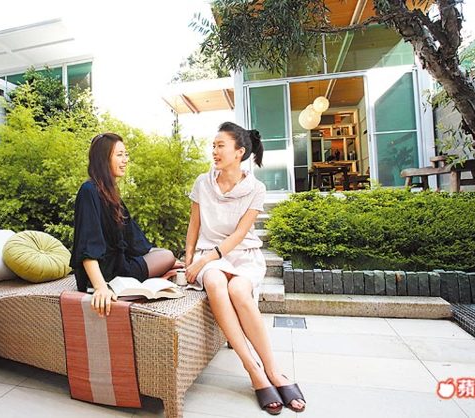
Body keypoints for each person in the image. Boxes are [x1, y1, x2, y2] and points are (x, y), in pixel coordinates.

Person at [184, 122, 306, 415]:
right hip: (208, 255)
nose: (214, 151)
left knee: (239, 289)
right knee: (215, 282)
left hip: (242, 254)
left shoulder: (256, 188)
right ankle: (253, 370)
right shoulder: (202, 182)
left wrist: (206, 258)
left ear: (239, 152)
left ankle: (273, 370)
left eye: (220, 146)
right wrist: (190, 260)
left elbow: (239, 234)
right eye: (213, 146)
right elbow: (194, 225)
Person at [70, 132, 176, 317]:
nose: (125, 160)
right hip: (105, 272)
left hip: (118, 263)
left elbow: (133, 238)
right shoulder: (89, 191)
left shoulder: (110, 193)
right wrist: (100, 287)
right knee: (167, 256)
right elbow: (88, 243)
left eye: (126, 154)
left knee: (164, 255)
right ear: (103, 158)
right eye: (119, 155)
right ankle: (108, 284)